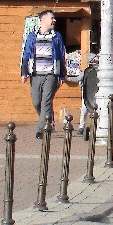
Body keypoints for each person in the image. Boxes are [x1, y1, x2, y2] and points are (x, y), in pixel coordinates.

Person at [21, 10, 67, 139]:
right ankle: (48, 120)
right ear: (43, 20)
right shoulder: (32, 36)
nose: (54, 20)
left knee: (46, 100)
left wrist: (62, 75)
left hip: (51, 74)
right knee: (37, 101)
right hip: (35, 73)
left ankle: (40, 130)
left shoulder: (56, 36)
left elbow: (62, 56)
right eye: (52, 18)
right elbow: (25, 54)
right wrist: (24, 72)